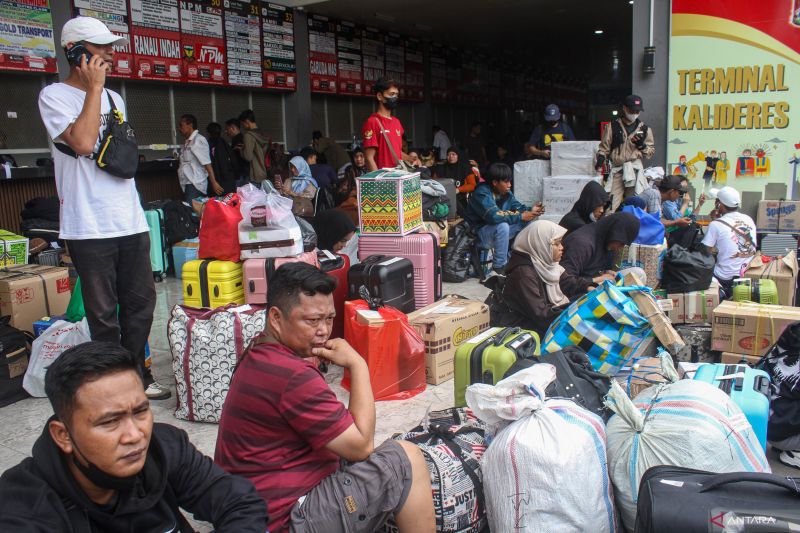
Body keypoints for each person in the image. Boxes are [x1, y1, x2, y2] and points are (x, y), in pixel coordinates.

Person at [215, 263, 435, 533]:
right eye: (312, 321)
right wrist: (358, 365)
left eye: (329, 319)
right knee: (407, 458)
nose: (323, 330)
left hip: (249, 511)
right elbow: (361, 445)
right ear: (276, 317)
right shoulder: (292, 375)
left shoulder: (258, 351)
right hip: (283, 520)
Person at [0, 341, 268, 531]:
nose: (134, 435)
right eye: (110, 421)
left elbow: (240, 502)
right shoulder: (23, 509)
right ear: (63, 436)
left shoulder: (165, 447)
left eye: (140, 412)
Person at [37, 16, 169, 400]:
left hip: (129, 218)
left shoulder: (116, 99)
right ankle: (114, 384)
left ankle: (136, 375)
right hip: (88, 224)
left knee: (141, 305)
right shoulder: (53, 96)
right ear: (75, 52)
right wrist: (94, 89)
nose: (110, 54)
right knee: (103, 314)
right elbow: (81, 143)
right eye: (101, 48)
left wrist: (101, 91)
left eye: (111, 47)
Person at [490, 220, 570, 338]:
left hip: (537, 321)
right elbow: (541, 315)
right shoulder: (524, 274)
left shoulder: (546, 264)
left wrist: (589, 286)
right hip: (521, 329)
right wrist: (571, 314)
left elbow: (569, 283)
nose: (561, 248)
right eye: (557, 244)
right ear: (541, 244)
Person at [464, 162, 543, 274]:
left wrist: (531, 210)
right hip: (478, 235)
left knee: (528, 223)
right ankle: (499, 266)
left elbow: (518, 207)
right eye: (506, 182)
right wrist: (521, 216)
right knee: (502, 226)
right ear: (495, 182)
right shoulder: (481, 193)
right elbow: (494, 216)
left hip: (495, 232)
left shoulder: (506, 193)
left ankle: (512, 259)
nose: (509, 185)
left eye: (510, 181)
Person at [559, 212, 640, 300]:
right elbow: (564, 282)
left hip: (590, 282)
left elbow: (591, 267)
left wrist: (604, 272)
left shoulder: (603, 238)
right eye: (621, 243)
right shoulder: (582, 244)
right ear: (614, 233)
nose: (620, 248)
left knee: (638, 273)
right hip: (575, 292)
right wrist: (596, 280)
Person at [595, 95, 655, 211]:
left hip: (635, 169)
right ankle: (610, 220)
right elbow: (604, 148)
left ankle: (632, 221)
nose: (635, 113)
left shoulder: (645, 129)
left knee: (635, 204)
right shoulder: (612, 127)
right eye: (632, 110)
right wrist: (600, 161)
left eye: (637, 111)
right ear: (624, 108)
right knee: (611, 203)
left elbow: (650, 152)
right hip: (618, 169)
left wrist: (641, 145)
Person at [700, 186, 757, 299]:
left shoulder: (716, 225)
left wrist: (715, 221)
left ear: (719, 204)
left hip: (725, 277)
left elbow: (705, 253)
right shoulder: (748, 219)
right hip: (746, 273)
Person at [362, 78, 419, 171]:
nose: (395, 97)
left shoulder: (397, 122)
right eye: (392, 94)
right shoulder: (372, 122)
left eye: (396, 94)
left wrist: (412, 159)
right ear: (380, 96)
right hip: (384, 177)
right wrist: (378, 179)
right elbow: (369, 158)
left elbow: (397, 153)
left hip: (398, 175)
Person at [177, 114, 221, 202]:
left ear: (190, 125)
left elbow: (207, 163)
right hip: (188, 182)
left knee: (193, 209)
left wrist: (213, 182)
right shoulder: (189, 141)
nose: (179, 129)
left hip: (195, 183)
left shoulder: (198, 140)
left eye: (181, 125)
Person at [335, 147, 367, 225]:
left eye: (361, 156)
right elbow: (344, 188)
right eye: (356, 157)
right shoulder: (350, 170)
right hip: (352, 199)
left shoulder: (371, 169)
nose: (358, 159)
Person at [238, 109, 270, 184]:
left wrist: (241, 149)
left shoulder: (248, 136)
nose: (243, 127)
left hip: (253, 174)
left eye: (243, 124)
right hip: (263, 172)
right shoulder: (262, 134)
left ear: (247, 122)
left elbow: (248, 157)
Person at [206, 122, 238, 194]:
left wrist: (214, 182)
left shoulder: (210, 145)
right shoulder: (225, 144)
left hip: (217, 183)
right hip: (229, 181)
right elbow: (234, 162)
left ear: (209, 133)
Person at [225, 117, 249, 183]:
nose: (226, 131)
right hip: (242, 173)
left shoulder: (239, 140)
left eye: (227, 129)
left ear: (233, 128)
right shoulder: (239, 139)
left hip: (241, 174)